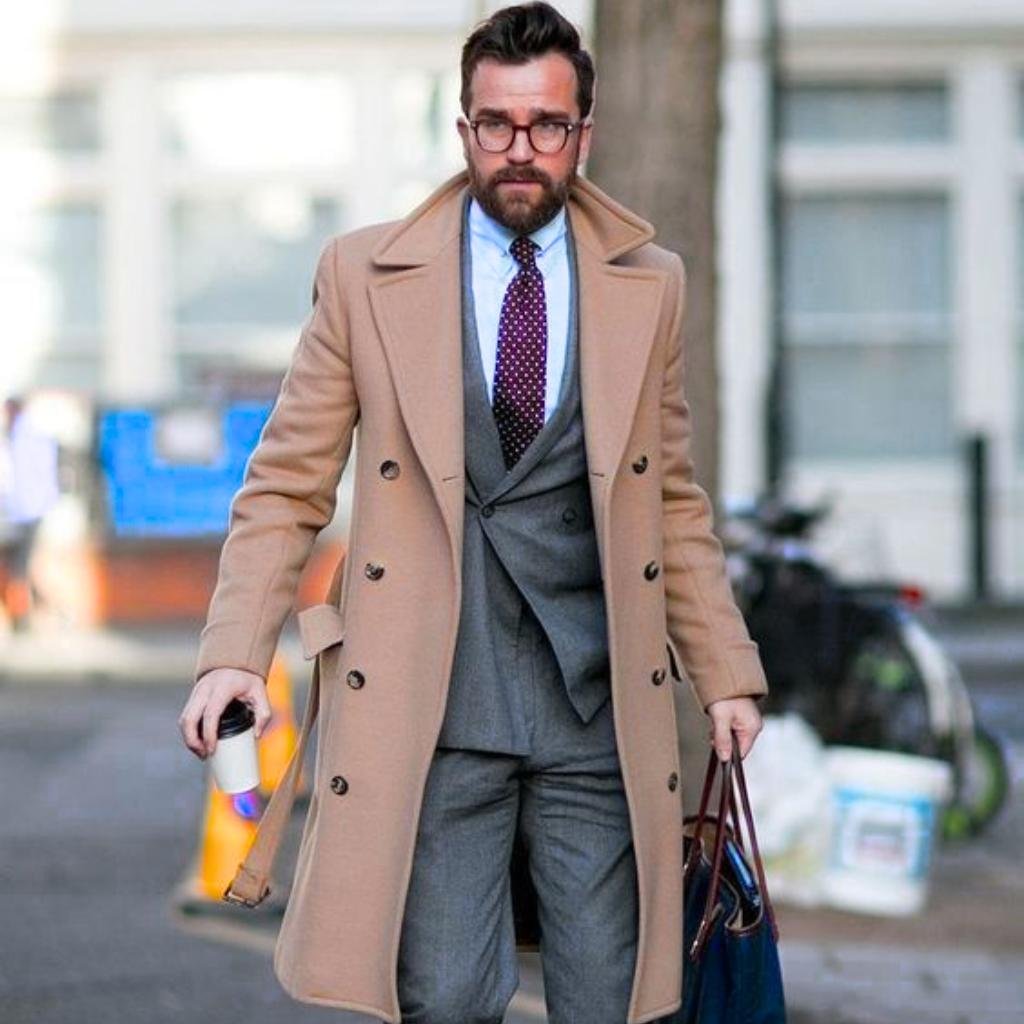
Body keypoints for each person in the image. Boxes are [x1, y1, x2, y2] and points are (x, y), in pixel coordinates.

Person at [178, 4, 768, 1022]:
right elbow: (286, 481)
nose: (520, 151)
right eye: (496, 124)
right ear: (463, 129)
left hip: (594, 702)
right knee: (444, 996)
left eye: (546, 125)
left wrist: (725, 669)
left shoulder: (649, 284)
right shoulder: (365, 277)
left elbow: (669, 496)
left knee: (611, 997)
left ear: (584, 131)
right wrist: (234, 650)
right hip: (435, 698)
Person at [1, 396, 60, 632]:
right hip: (24, 511)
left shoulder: (24, 435)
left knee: (19, 567)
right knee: (20, 565)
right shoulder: (23, 433)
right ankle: (31, 612)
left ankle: (23, 619)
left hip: (26, 511)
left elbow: (21, 478)